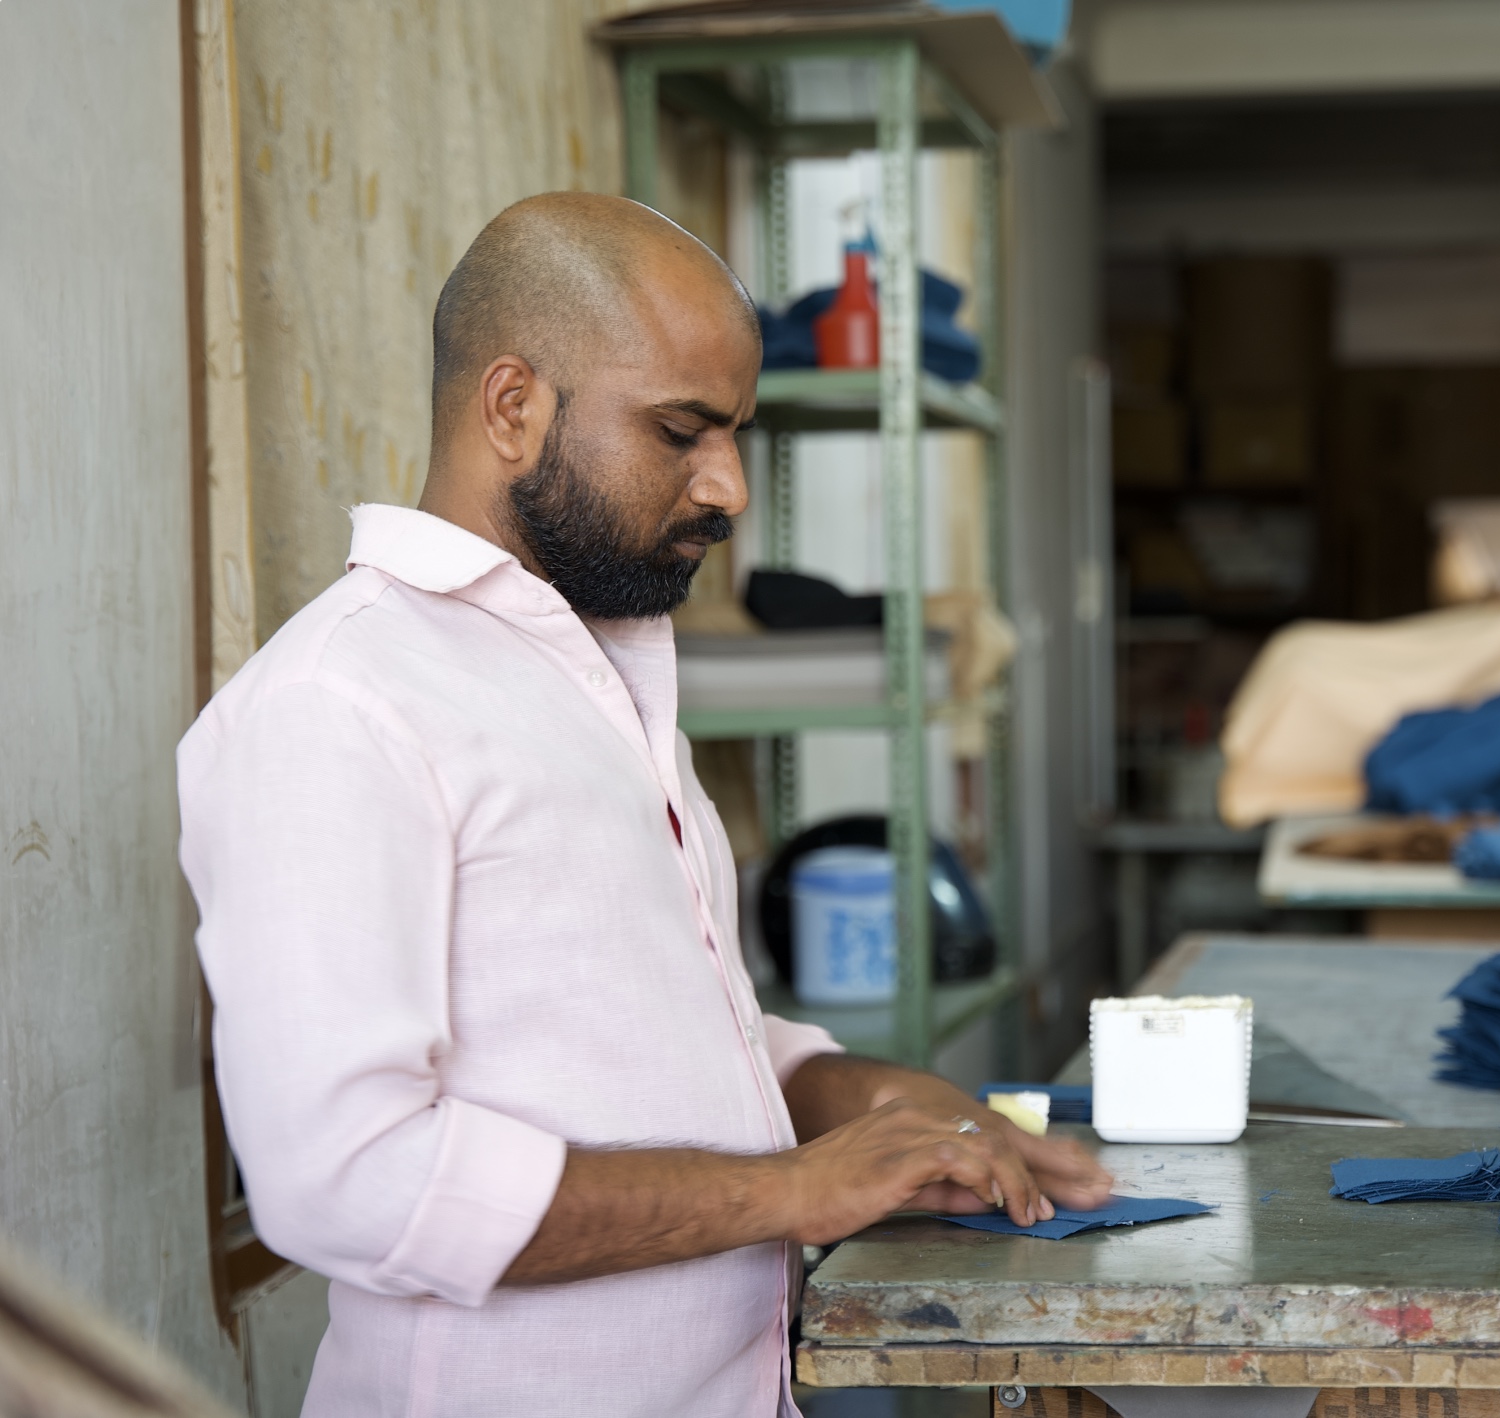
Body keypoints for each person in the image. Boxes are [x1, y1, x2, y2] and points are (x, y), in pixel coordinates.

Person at [178, 192, 1111, 1418]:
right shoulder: (337, 703)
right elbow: (346, 1179)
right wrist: (792, 1189)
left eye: (736, 433)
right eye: (682, 430)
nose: (727, 484)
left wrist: (874, 1100)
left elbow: (643, 1037)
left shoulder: (594, 671)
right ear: (513, 406)